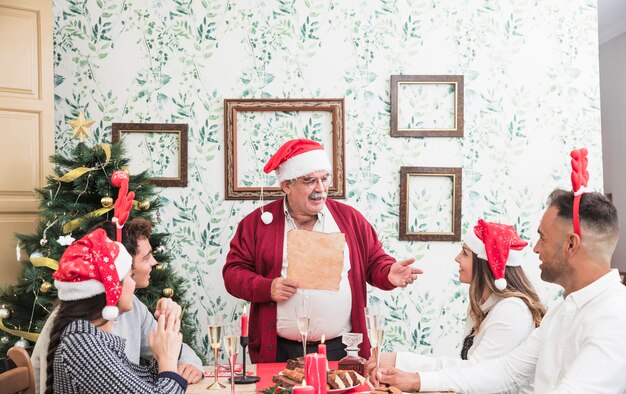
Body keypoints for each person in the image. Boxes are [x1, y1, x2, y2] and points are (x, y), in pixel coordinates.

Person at [376, 189, 626, 393]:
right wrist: (417, 380)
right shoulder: (561, 311)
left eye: (543, 238)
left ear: (571, 244)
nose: (536, 248)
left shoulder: (614, 316)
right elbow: (505, 371)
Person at [222, 138, 422, 363]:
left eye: (324, 179)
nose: (321, 188)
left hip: (340, 349)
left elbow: (375, 261)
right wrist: (266, 288)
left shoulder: (350, 219)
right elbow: (232, 273)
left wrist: (387, 273)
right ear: (286, 185)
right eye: (310, 181)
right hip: (277, 349)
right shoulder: (256, 223)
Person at [367, 219, 545, 394]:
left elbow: (476, 375)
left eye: (465, 253)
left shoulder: (511, 311)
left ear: (486, 264)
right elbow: (465, 371)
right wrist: (398, 361)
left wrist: (404, 366)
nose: (457, 258)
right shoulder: (483, 305)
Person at [32, 219, 203, 393]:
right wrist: (167, 360)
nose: (132, 283)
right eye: (129, 276)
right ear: (112, 288)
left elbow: (134, 381)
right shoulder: (83, 344)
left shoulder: (89, 335)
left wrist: (164, 348)